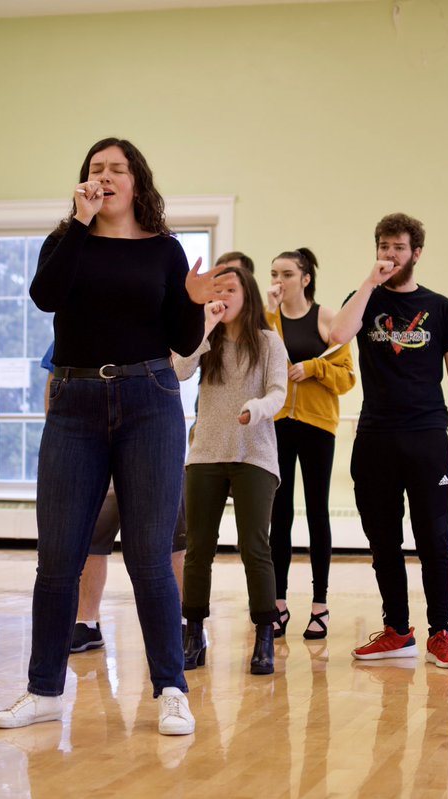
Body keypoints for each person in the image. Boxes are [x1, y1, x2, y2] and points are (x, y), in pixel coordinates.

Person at [0, 138, 226, 735]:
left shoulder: (167, 251)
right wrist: (79, 223)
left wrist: (195, 305)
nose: (106, 176)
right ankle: (43, 690)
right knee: (58, 558)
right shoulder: (66, 241)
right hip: (75, 403)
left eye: (118, 169)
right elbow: (45, 296)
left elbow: (177, 334)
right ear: (84, 184)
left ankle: (171, 688)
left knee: (150, 556)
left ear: (137, 182)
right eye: (96, 169)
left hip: (150, 400)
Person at [329, 212, 448, 670]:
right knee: (383, 542)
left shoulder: (442, 308)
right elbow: (337, 334)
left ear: (416, 253)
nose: (389, 254)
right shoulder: (363, 299)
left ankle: (440, 634)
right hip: (375, 438)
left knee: (433, 539)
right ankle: (397, 630)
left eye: (398, 247)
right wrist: (368, 284)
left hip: (427, 437)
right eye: (383, 246)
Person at [38, 343, 188, 654]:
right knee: (92, 536)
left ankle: (181, 623)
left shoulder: (152, 318)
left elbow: (182, 362)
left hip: (150, 438)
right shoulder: (79, 321)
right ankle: (86, 622)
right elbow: (54, 379)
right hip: (89, 444)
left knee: (165, 542)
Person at [174, 266, 288, 675]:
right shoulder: (207, 336)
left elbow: (278, 392)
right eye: (216, 289)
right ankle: (193, 633)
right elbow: (179, 370)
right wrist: (204, 325)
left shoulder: (269, 342)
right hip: (205, 454)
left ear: (248, 295)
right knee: (198, 548)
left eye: (230, 288)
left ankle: (263, 634)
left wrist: (255, 409)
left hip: (254, 454)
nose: (222, 294)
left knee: (254, 546)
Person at [265, 248, 355, 639]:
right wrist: (267, 315)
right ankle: (278, 602)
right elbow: (259, 362)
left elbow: (347, 377)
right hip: (278, 424)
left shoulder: (327, 318)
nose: (278, 281)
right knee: (279, 513)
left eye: (286, 274)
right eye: (273, 274)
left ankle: (320, 604)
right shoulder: (268, 319)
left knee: (317, 511)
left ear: (305, 279)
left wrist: (315, 367)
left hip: (318, 425)